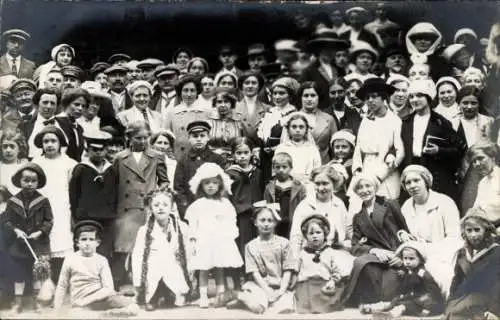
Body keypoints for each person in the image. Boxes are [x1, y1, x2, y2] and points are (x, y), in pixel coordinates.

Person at [112, 121, 169, 293]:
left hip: (146, 207)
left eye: (146, 138)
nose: (143, 141)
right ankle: (118, 281)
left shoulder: (156, 156)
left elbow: (164, 179)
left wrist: (161, 189)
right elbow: (115, 183)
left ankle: (148, 284)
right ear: (129, 138)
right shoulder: (120, 158)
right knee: (122, 247)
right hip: (126, 208)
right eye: (138, 138)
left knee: (147, 247)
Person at [343, 173, 409, 307]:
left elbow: (405, 231)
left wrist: (402, 254)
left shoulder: (390, 204)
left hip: (396, 252)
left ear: (376, 188)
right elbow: (355, 246)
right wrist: (373, 250)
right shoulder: (358, 217)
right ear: (356, 192)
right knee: (362, 263)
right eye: (360, 187)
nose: (364, 190)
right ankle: (370, 303)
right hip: (378, 256)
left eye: (368, 186)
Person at [185, 162, 243, 308]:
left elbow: (231, 220)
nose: (211, 186)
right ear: (201, 186)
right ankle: (203, 295)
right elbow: (193, 222)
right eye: (207, 183)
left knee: (219, 267)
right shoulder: (198, 204)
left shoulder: (225, 203)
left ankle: (220, 295)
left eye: (214, 183)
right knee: (204, 267)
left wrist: (229, 234)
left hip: (219, 239)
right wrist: (193, 238)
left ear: (220, 185)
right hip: (204, 239)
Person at [400, 165, 462, 295]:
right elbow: (405, 231)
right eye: (408, 182)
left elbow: (454, 237)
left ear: (426, 181)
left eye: (417, 180)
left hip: (443, 252)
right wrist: (403, 235)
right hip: (416, 254)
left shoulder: (445, 202)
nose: (412, 185)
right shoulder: (406, 206)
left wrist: (431, 251)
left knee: (439, 271)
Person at [401, 79, 467, 202]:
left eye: (419, 96)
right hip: (412, 171)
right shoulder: (405, 122)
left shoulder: (441, 122)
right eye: (411, 96)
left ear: (428, 98)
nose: (415, 100)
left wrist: (439, 151)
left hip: (435, 173)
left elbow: (458, 150)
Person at [53, 220, 138, 315]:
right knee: (76, 314)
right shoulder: (70, 259)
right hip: (80, 302)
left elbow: (108, 288)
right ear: (77, 242)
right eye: (84, 239)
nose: (87, 243)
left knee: (133, 307)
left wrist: (89, 299)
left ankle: (105, 314)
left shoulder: (101, 260)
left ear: (97, 242)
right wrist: (56, 310)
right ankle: (104, 315)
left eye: (91, 239)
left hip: (101, 298)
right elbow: (62, 286)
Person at [226, 202, 295, 314]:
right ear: (255, 222)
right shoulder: (251, 246)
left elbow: (288, 270)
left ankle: (245, 301)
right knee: (259, 307)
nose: (266, 224)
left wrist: (281, 291)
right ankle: (241, 296)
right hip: (260, 285)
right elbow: (254, 272)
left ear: (275, 223)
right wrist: (267, 290)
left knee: (286, 308)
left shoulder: (284, 243)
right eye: (262, 220)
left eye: (270, 220)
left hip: (280, 285)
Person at [2, 162, 53, 313]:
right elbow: (6, 221)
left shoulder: (43, 201)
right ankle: (17, 303)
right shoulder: (12, 202)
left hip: (38, 244)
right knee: (19, 273)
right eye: (26, 180)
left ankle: (38, 303)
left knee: (38, 273)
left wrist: (40, 232)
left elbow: (49, 220)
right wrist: (16, 230)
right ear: (19, 181)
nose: (29, 184)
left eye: (33, 181)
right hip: (19, 245)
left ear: (38, 183)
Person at [131, 189, 191, 310]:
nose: (160, 208)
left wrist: (190, 273)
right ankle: (153, 296)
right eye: (156, 205)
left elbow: (188, 252)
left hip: (173, 265)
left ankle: (169, 293)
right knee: (154, 273)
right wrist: (138, 282)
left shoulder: (181, 228)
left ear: (172, 207)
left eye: (165, 204)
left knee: (173, 274)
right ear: (150, 208)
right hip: (152, 266)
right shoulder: (144, 230)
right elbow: (137, 256)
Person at [32, 125, 77, 284]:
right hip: (40, 210)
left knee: (61, 242)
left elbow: (73, 191)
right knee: (43, 246)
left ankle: (62, 284)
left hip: (62, 209)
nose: (49, 144)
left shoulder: (69, 163)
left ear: (60, 143)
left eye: (53, 141)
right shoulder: (36, 163)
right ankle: (44, 285)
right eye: (46, 141)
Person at [360, 242, 444, 318]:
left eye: (411, 259)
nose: (407, 262)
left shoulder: (422, 273)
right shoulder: (409, 271)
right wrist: (404, 275)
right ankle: (375, 309)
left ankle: (390, 315)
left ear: (420, 259)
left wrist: (427, 307)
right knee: (396, 300)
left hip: (424, 301)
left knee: (403, 306)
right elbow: (408, 286)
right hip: (413, 297)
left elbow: (434, 292)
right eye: (405, 258)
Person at [443, 208, 500, 320]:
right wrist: (450, 301)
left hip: (488, 299)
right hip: (464, 299)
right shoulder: (462, 253)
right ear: (464, 232)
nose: (473, 235)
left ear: (486, 230)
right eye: (469, 230)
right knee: (451, 312)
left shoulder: (495, 253)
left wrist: (494, 310)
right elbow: (457, 280)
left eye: (477, 230)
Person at [69, 130, 117, 262]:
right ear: (87, 149)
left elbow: (115, 194)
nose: (98, 153)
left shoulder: (111, 170)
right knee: (86, 252)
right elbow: (74, 196)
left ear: (106, 150)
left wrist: (111, 213)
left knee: (104, 252)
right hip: (87, 218)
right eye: (94, 149)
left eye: (102, 149)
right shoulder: (81, 169)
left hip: (106, 220)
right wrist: (76, 216)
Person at [353, 78, 404, 200]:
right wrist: (357, 168)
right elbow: (358, 147)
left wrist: (380, 176)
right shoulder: (366, 120)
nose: (370, 101)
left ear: (383, 98)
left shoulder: (394, 120)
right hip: (366, 169)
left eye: (374, 96)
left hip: (385, 172)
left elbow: (400, 151)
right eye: (367, 98)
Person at [173, 120, 226, 218]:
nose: (199, 139)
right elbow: (178, 188)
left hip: (213, 209)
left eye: (202, 136)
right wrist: (185, 209)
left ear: (208, 138)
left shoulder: (217, 159)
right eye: (195, 136)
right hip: (191, 209)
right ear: (189, 138)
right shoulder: (183, 160)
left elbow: (222, 186)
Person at [295, 215, 345, 314]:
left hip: (324, 283)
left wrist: (333, 281)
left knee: (330, 297)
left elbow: (337, 271)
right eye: (311, 233)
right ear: (306, 236)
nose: (315, 236)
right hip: (307, 285)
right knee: (304, 302)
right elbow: (297, 270)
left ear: (325, 234)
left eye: (318, 232)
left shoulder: (330, 252)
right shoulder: (303, 253)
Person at [226, 137, 263, 264]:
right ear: (233, 155)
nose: (242, 156)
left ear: (251, 153)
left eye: (246, 153)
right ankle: (243, 270)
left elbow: (260, 190)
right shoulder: (231, 173)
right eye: (239, 153)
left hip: (256, 211)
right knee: (243, 241)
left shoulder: (257, 171)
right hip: (240, 213)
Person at [257, 76, 299, 184]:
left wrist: (275, 148)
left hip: (283, 159)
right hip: (265, 159)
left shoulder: (293, 115)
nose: (277, 96)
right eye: (274, 93)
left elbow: (295, 141)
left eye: (281, 93)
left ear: (289, 95)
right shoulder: (270, 112)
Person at [300, 28, 349, 110]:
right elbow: (302, 94)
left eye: (332, 48)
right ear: (318, 49)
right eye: (325, 47)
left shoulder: (340, 70)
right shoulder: (309, 71)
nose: (329, 51)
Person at [164, 75, 212, 159]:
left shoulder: (206, 112)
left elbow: (210, 138)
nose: (189, 94)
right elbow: (166, 137)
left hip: (201, 157)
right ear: (180, 92)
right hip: (178, 157)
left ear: (197, 92)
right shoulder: (172, 112)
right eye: (185, 90)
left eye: (192, 90)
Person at [263, 152, 307, 238]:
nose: (281, 170)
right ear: (273, 168)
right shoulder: (269, 187)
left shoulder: (299, 187)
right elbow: (266, 205)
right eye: (277, 167)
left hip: (293, 222)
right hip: (276, 224)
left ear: (291, 168)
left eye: (284, 167)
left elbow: (304, 205)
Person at [297, 82, 338, 164]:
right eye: (306, 96)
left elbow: (335, 146)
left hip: (323, 164)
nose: (309, 99)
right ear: (300, 98)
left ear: (318, 97)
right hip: (298, 164)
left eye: (313, 95)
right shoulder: (292, 118)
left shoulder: (329, 119)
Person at [275, 112, 322, 183]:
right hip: (287, 184)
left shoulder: (312, 149)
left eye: (301, 127)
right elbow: (277, 170)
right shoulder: (281, 148)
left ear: (306, 129)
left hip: (308, 184)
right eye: (294, 127)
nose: (297, 130)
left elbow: (317, 170)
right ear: (288, 129)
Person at [207, 88, 245, 161]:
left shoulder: (239, 122)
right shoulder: (209, 122)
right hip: (212, 160)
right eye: (219, 102)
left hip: (235, 160)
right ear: (215, 104)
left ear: (232, 104)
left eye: (226, 102)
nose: (223, 105)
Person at [53, 88, 90, 162]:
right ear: (66, 104)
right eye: (76, 104)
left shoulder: (79, 128)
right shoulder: (55, 123)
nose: (80, 108)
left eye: (83, 106)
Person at [234, 71, 270, 146]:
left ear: (259, 86)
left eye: (254, 83)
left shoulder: (268, 109)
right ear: (241, 86)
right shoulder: (234, 108)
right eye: (247, 83)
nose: (250, 86)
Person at [469, 142, 500, 226]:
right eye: (474, 161)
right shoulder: (482, 183)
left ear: (492, 157)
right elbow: (476, 209)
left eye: (480, 158)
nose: (477, 164)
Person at [28, 88, 60, 159]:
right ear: (37, 104)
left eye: (52, 103)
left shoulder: (64, 125)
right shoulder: (25, 126)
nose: (48, 106)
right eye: (45, 102)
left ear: (57, 106)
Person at [0, 130, 28, 194]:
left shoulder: (24, 166)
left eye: (12, 146)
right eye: (5, 146)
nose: (8, 150)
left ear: (20, 149)